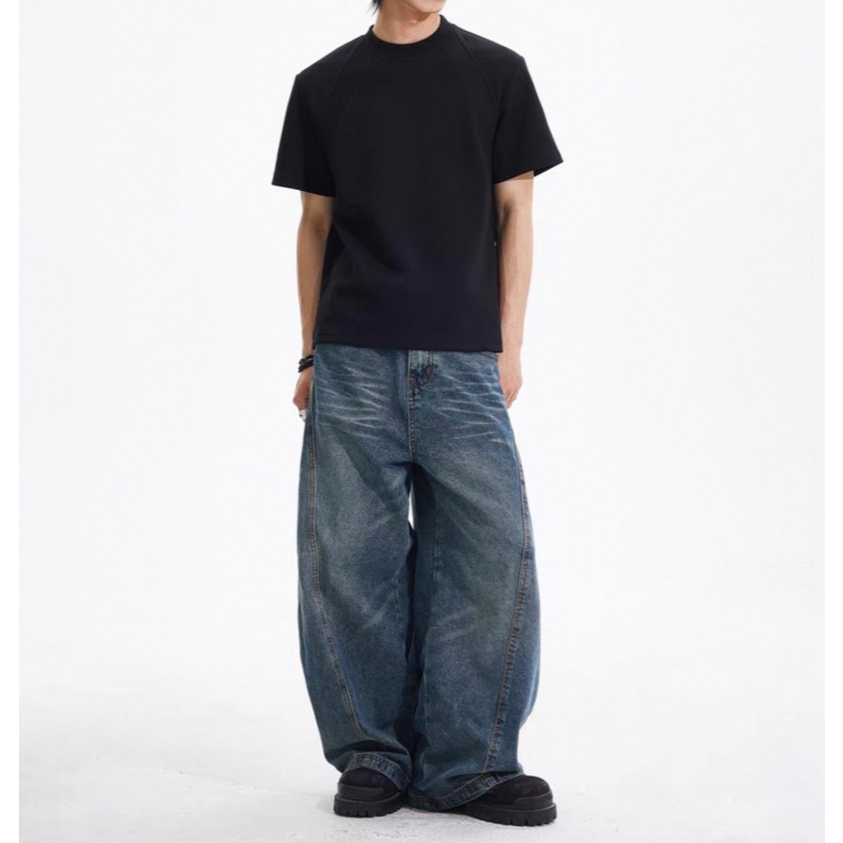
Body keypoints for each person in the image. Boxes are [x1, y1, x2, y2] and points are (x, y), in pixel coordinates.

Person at [271, 0, 563, 826]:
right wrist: (310, 352)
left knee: (489, 560)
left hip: (465, 358)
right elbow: (314, 224)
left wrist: (507, 344)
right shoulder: (323, 84)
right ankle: (372, 754)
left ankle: (467, 765)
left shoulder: (496, 73)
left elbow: (516, 211)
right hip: (353, 356)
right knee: (347, 564)